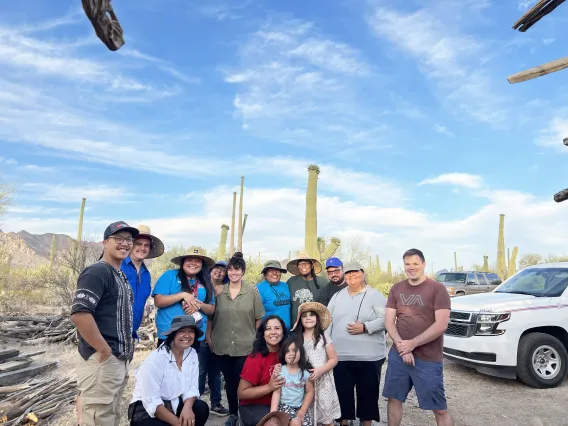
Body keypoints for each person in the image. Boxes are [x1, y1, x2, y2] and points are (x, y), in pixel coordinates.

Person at [71, 221, 139, 426]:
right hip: (101, 360)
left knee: (109, 415)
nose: (125, 244)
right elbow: (80, 313)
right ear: (105, 243)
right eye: (118, 239)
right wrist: (103, 348)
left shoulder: (119, 275)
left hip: (117, 360)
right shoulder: (97, 272)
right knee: (98, 417)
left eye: (129, 240)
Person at [382, 249, 453, 426]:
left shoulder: (438, 289)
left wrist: (412, 344)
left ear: (423, 264)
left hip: (428, 358)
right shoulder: (396, 288)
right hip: (398, 356)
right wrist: (402, 347)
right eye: (407, 264)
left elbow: (441, 324)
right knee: (394, 399)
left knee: (439, 408)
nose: (411, 267)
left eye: (415, 263)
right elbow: (389, 322)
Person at [327, 261, 387, 426]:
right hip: (341, 356)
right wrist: (326, 346)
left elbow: (386, 319)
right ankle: (344, 422)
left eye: (355, 272)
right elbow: (327, 321)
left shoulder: (375, 295)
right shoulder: (337, 296)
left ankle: (366, 422)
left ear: (363, 273)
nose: (351, 276)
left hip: (369, 357)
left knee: (367, 393)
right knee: (342, 392)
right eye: (348, 273)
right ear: (344, 276)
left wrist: (366, 327)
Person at [210, 252, 265, 426]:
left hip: (245, 345)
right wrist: (209, 336)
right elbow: (211, 317)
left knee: (243, 381)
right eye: (231, 269)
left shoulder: (252, 293)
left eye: (237, 269)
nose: (233, 273)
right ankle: (233, 413)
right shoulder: (218, 292)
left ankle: (245, 413)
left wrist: (254, 338)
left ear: (243, 271)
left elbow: (259, 318)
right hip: (222, 344)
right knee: (229, 381)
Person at [128, 315, 210, 426]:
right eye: (182, 331)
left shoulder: (192, 353)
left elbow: (192, 387)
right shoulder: (155, 360)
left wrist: (187, 408)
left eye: (191, 331)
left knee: (201, 408)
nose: (187, 335)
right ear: (173, 334)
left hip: (174, 403)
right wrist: (178, 423)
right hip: (147, 408)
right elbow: (152, 401)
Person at [152, 246, 215, 347]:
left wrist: (199, 305)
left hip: (195, 334)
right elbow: (158, 301)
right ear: (183, 262)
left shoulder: (206, 282)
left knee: (190, 362)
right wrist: (183, 295)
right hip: (170, 333)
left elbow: (212, 309)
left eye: (198, 261)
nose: (193, 263)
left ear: (202, 264)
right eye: (189, 259)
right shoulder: (170, 276)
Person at [291, 302, 340, 426]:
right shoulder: (297, 339)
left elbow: (334, 359)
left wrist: (320, 370)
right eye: (304, 315)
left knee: (326, 419)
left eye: (312, 315)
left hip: (323, 382)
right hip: (305, 383)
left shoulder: (323, 337)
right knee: (309, 416)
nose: (308, 318)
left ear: (317, 319)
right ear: (300, 319)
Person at [237, 315, 288, 426]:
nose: (273, 332)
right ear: (263, 334)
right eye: (268, 329)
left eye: (277, 328)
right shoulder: (255, 359)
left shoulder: (288, 355)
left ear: (283, 332)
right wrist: (269, 387)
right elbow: (242, 393)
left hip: (283, 402)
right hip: (254, 405)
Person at [122, 225, 164, 339]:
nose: (143, 248)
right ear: (131, 244)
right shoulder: (118, 267)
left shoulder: (146, 275)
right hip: (107, 335)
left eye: (147, 245)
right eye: (138, 243)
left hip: (130, 335)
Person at [270, 337, 314, 426]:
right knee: (295, 423)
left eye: (294, 350)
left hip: (299, 408)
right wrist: (273, 413)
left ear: (301, 353)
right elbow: (277, 392)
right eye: (287, 351)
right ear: (283, 354)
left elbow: (310, 392)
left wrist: (302, 411)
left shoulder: (305, 373)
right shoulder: (280, 371)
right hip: (284, 407)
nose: (291, 354)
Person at [286, 253, 327, 326]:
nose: (303, 266)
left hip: (315, 327)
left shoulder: (323, 282)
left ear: (311, 266)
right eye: (300, 264)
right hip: (295, 327)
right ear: (297, 267)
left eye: (306, 263)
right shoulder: (291, 282)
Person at [256, 260, 292, 329]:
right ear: (265, 274)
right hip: (271, 334)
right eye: (270, 270)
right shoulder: (260, 289)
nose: (274, 273)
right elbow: (255, 315)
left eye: (277, 270)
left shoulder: (285, 286)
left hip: (287, 333)